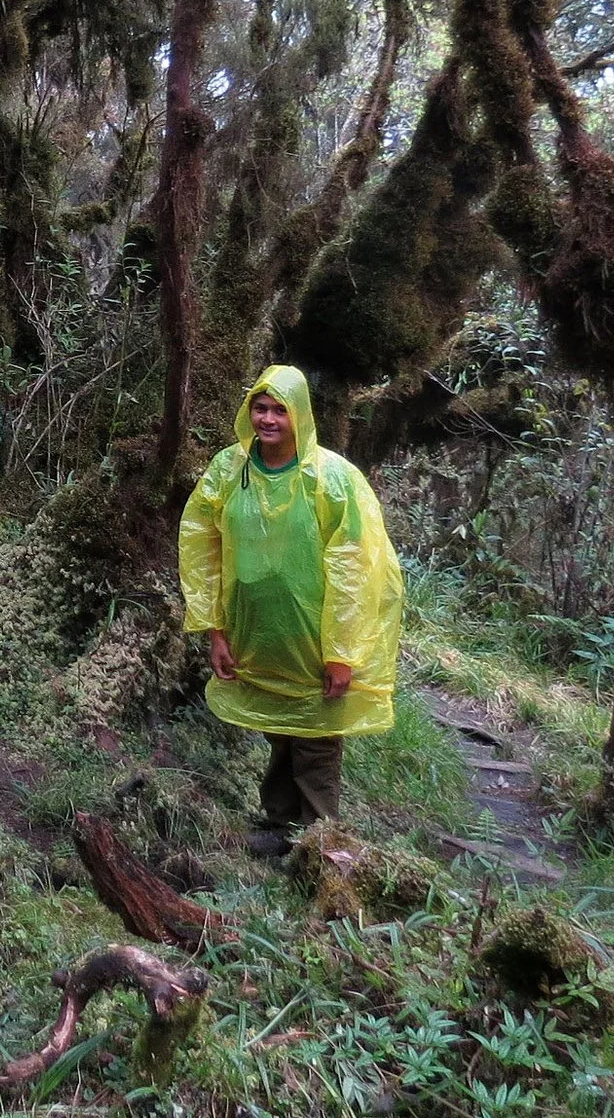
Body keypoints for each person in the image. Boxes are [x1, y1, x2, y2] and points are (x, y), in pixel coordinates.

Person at [178, 365, 403, 858]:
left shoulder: (333, 479)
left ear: (299, 414)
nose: (268, 418)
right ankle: (280, 826)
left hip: (315, 637)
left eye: (280, 409)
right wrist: (215, 629)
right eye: (261, 407)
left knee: (318, 736)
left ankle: (321, 845)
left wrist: (341, 651)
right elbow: (202, 544)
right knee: (279, 729)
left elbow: (355, 566)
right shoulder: (228, 469)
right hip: (256, 631)